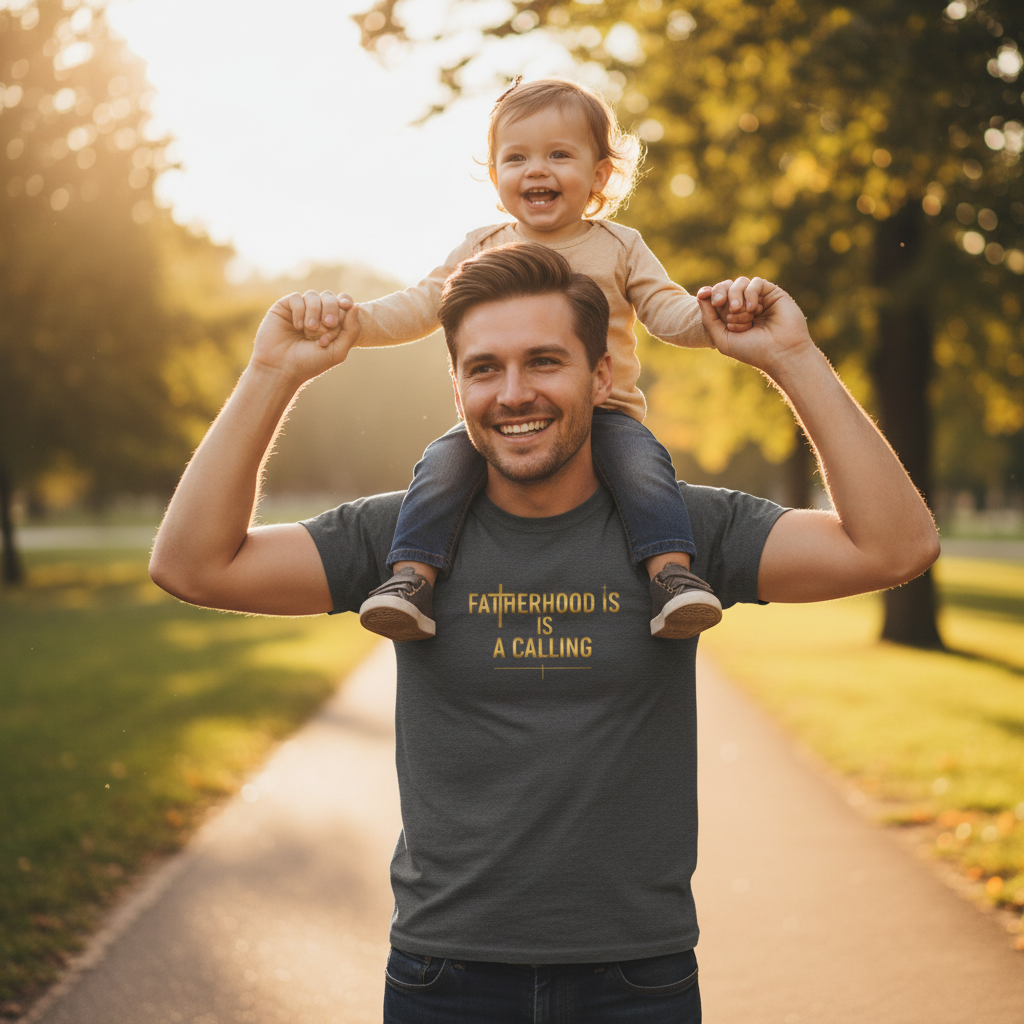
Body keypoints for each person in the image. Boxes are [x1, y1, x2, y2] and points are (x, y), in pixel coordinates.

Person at [149, 243, 939, 1023]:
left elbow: (895, 547)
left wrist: (791, 358)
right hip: (444, 977)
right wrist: (271, 374)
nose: (514, 392)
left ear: (601, 376)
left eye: (545, 362)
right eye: (484, 368)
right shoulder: (399, 540)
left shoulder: (683, 530)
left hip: (637, 979)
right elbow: (192, 566)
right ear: (456, 387)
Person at [350, 78, 772, 644]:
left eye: (559, 155)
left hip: (607, 413)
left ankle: (671, 578)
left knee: (644, 468)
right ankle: (410, 581)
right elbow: (422, 304)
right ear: (496, 176)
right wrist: (353, 323)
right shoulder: (483, 245)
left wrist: (715, 321)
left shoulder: (619, 246)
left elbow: (665, 309)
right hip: (506, 416)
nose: (536, 170)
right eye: (516, 157)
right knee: (441, 466)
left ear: (599, 175)